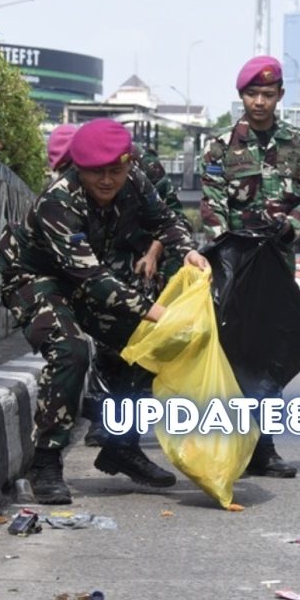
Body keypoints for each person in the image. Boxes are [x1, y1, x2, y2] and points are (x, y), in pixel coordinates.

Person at [0, 118, 209, 504]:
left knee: (150, 344)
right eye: (97, 172)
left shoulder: (135, 183)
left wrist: (187, 250)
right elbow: (92, 281)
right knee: (71, 350)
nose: (108, 180)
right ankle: (45, 463)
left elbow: (165, 220)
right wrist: (157, 311)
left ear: (129, 164)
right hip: (38, 278)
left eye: (117, 170)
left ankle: (121, 444)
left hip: (90, 275)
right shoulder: (58, 201)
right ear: (80, 167)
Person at [200, 55, 300, 478]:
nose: (259, 101)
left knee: (275, 353)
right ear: (241, 97)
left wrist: (289, 227)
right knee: (236, 354)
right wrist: (225, 244)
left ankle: (264, 448)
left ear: (280, 96)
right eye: (252, 93)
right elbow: (211, 206)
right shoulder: (219, 146)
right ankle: (235, 446)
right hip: (234, 264)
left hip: (278, 261)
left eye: (267, 94)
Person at [82, 144, 193, 448]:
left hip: (139, 263)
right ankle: (104, 420)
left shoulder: (145, 164)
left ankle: (123, 422)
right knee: (104, 346)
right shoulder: (84, 164)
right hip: (100, 262)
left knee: (135, 343)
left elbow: (172, 216)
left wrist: (154, 253)